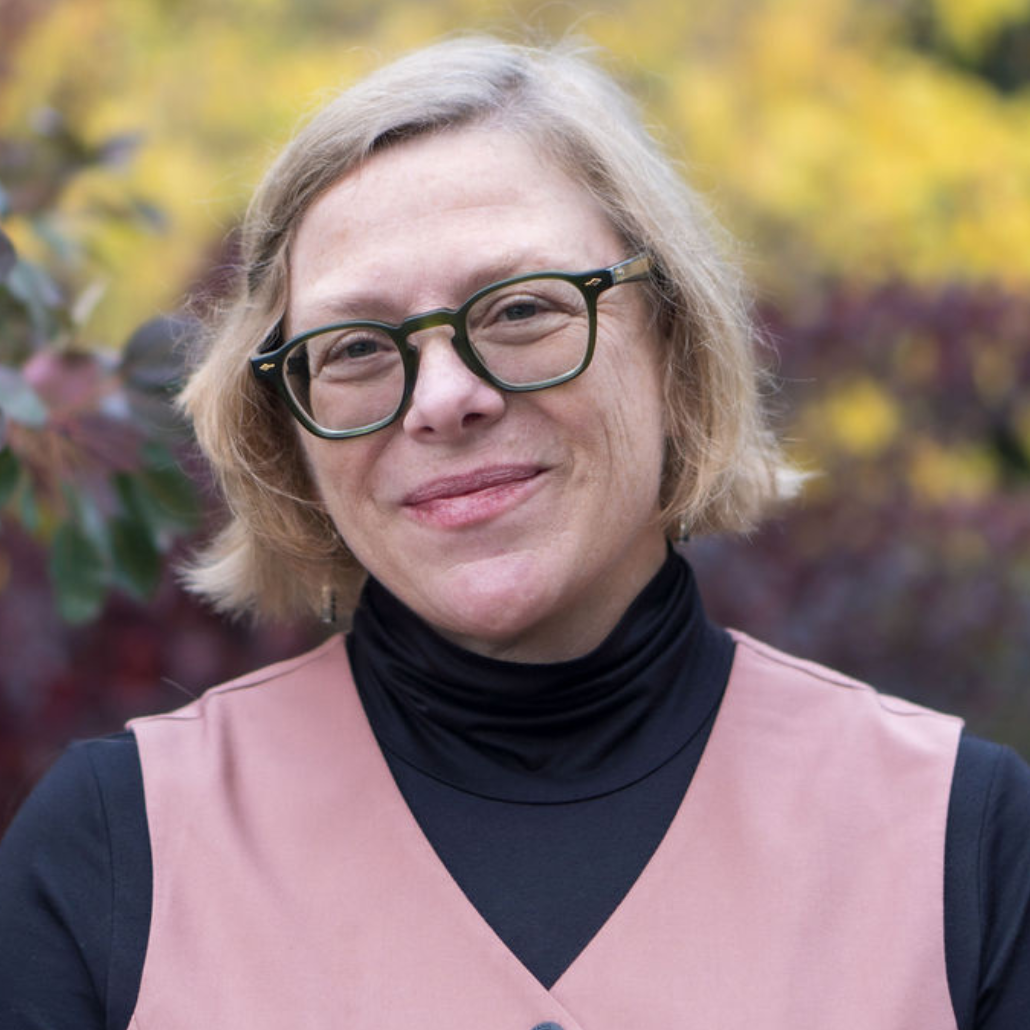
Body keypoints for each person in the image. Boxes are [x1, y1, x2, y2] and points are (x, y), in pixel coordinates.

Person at [1, 35, 1028, 1030]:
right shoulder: (113, 850)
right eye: (355, 345)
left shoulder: (959, 838)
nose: (443, 399)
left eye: (521, 310)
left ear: (671, 345)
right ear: (287, 430)